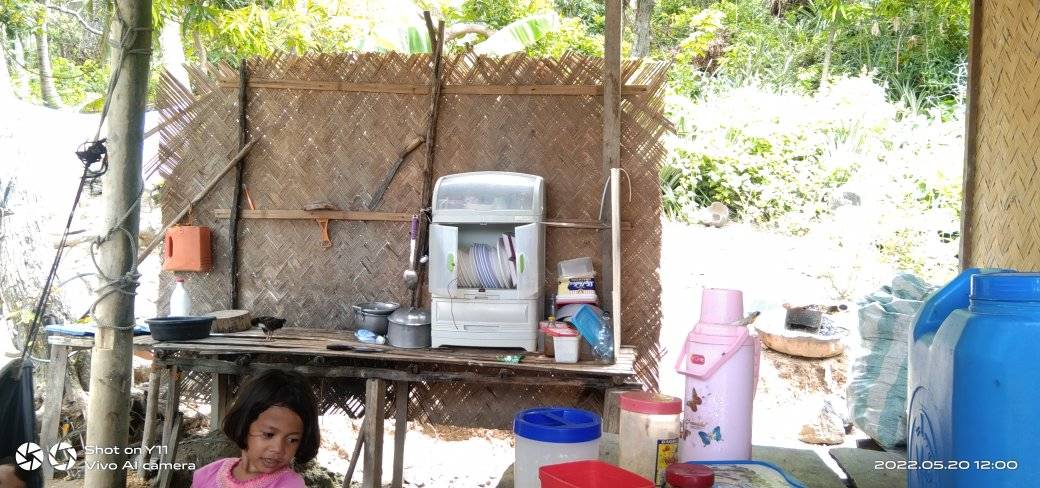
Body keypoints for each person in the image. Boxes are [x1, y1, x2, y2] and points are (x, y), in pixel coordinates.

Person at [192, 369, 320, 488]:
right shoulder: (206, 475)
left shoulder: (290, 485)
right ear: (244, 424)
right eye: (269, 434)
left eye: (292, 440)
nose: (278, 449)